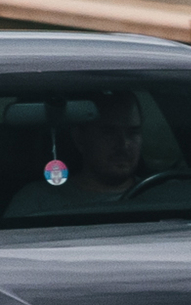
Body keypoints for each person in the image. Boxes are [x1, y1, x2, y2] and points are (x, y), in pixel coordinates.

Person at [6, 93, 147, 217]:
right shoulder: (36, 200)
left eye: (133, 132)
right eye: (108, 132)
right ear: (79, 138)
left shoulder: (159, 194)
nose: (123, 144)